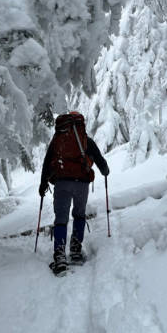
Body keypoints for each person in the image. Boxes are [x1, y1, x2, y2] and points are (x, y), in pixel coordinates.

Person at [39, 111, 109, 275]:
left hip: (62, 183)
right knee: (79, 215)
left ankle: (60, 257)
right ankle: (76, 250)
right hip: (81, 184)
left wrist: (43, 184)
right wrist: (105, 171)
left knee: (61, 219)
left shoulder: (57, 139)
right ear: (80, 125)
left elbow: (47, 161)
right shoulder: (85, 140)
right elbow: (100, 160)